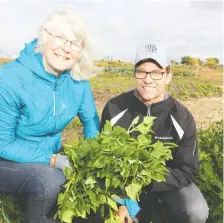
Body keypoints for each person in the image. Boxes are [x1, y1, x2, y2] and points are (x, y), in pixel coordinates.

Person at [0, 9, 99, 223]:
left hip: (45, 158)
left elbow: (91, 122)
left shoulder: (78, 81)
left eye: (74, 43)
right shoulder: (10, 79)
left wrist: (94, 160)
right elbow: (3, 143)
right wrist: (53, 160)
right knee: (49, 180)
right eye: (60, 38)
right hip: (5, 159)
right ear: (44, 37)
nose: (66, 48)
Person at [100, 43, 209, 223]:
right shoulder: (114, 108)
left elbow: (187, 171)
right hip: (122, 188)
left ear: (168, 76)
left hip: (165, 186)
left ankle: (158, 213)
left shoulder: (181, 117)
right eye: (141, 71)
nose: (148, 79)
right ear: (135, 74)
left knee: (196, 210)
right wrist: (120, 202)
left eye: (156, 72)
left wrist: (146, 179)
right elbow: (103, 160)